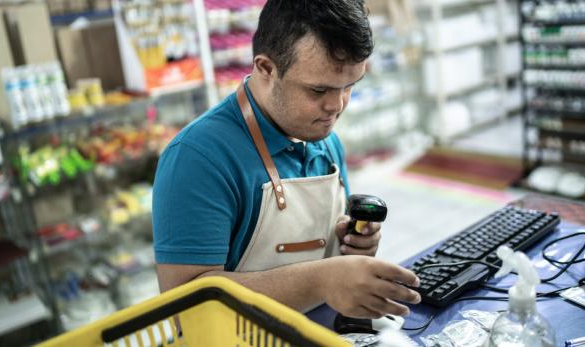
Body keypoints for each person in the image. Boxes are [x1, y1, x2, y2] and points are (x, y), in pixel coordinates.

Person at [153, 0, 421, 319]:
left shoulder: (325, 141)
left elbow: (328, 249)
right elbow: (187, 305)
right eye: (318, 90)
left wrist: (351, 246)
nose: (337, 106)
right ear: (266, 68)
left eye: (349, 86)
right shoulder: (198, 159)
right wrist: (321, 281)